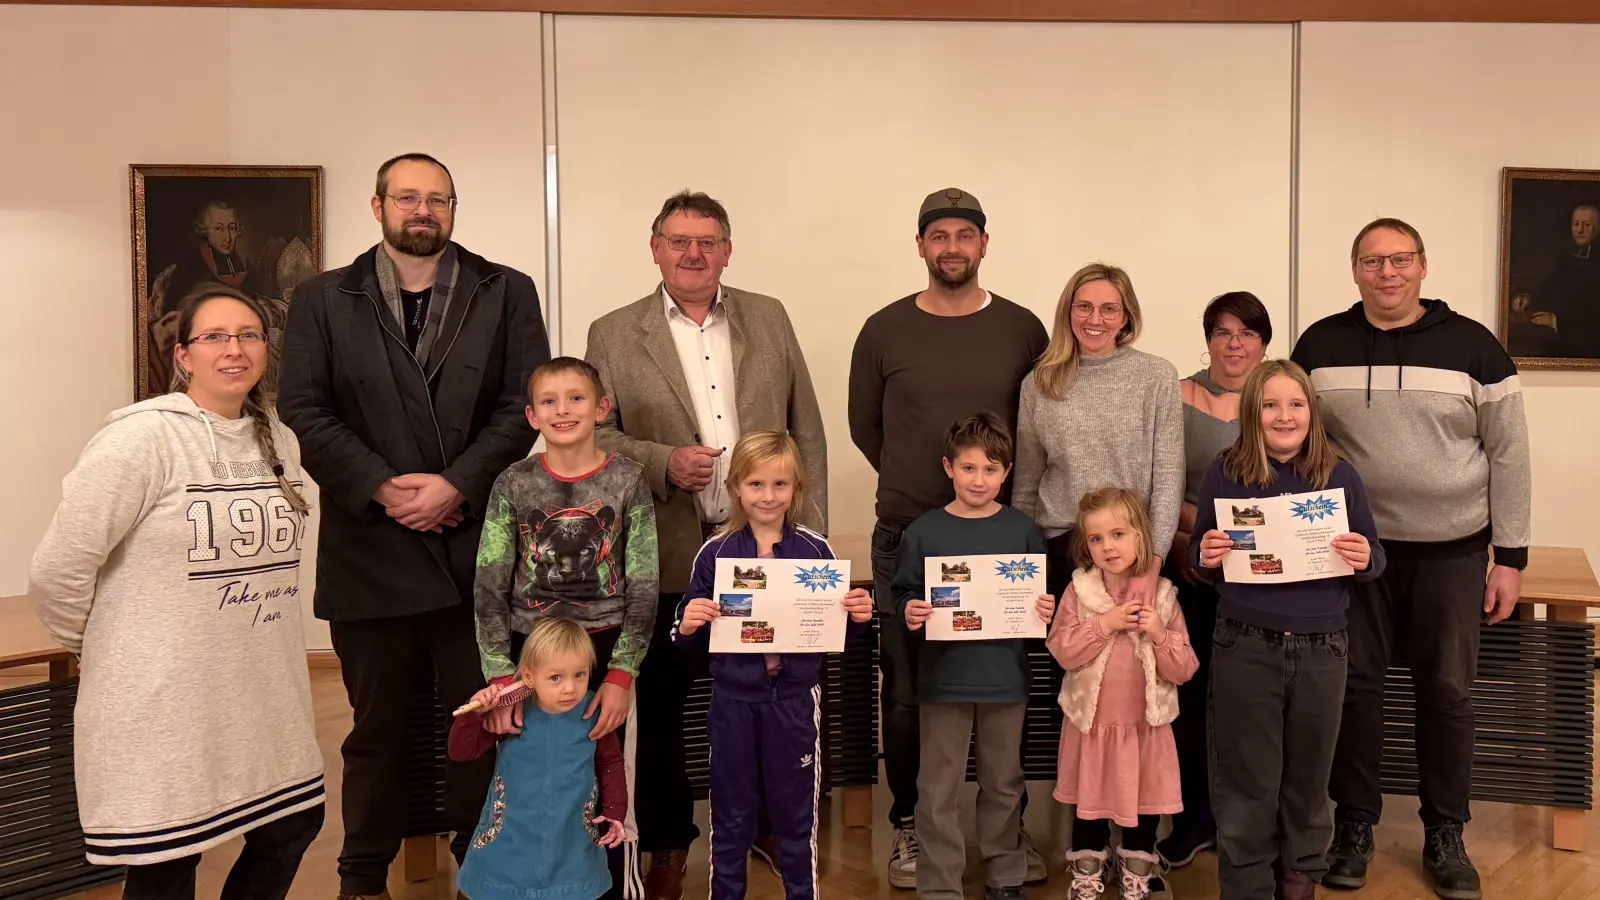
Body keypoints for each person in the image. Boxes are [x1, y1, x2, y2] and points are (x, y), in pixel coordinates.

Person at [278, 152, 550, 899]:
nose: (423, 210)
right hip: (370, 547)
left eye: (438, 198)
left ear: (455, 208)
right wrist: (382, 487)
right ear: (377, 207)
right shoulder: (324, 297)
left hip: (473, 552)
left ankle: (483, 867)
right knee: (375, 738)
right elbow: (303, 408)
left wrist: (456, 484)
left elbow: (519, 408)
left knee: (481, 727)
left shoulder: (506, 291)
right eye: (407, 197)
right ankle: (361, 876)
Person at [31, 284, 324, 899]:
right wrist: (102, 645)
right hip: (165, 698)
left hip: (260, 688)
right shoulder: (141, 440)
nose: (235, 349)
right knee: (167, 860)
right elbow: (59, 568)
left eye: (248, 335)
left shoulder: (281, 440)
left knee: (295, 821)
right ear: (183, 354)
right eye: (215, 336)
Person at [584, 190, 827, 900]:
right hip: (666, 553)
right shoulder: (613, 331)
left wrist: (807, 539)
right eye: (679, 240)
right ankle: (665, 845)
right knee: (662, 712)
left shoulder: (770, 316)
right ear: (655, 246)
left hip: (769, 552)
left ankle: (772, 830)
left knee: (777, 700)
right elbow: (595, 432)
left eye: (708, 241)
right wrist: (661, 461)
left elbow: (804, 426)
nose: (694, 253)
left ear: (727, 248)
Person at [1292, 218, 1531, 900]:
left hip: (1454, 551)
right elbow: (1291, 434)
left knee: (1448, 693)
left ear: (1423, 267)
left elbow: (1510, 455)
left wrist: (1509, 557)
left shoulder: (1475, 348)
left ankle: (1446, 832)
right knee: (1355, 690)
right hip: (1354, 551)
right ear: (1355, 270)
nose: (1387, 273)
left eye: (1400, 260)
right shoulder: (1321, 345)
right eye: (1373, 261)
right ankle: (1356, 825)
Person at [847, 187, 1049, 888]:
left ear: (984, 244)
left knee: (1002, 687)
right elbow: (863, 427)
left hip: (1000, 541)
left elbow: (1039, 423)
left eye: (967, 235)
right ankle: (909, 823)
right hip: (909, 530)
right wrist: (921, 490)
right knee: (907, 693)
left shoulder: (1023, 328)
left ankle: (1007, 833)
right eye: (940, 236)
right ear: (922, 246)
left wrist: (987, 504)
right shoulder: (883, 329)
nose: (953, 247)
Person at [1191, 360, 1386, 900]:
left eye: (1295, 404)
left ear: (1311, 411)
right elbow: (1199, 559)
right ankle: (1248, 884)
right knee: (1246, 781)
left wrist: (1365, 555)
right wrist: (1204, 554)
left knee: (1308, 777)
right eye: (1270, 405)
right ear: (1252, 412)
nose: (1284, 416)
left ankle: (1300, 875)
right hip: (1244, 643)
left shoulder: (1340, 475)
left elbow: (1375, 558)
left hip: (1323, 647)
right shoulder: (1223, 472)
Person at [471, 355, 659, 898]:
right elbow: (490, 583)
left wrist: (623, 672)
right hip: (531, 653)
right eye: (549, 401)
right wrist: (502, 676)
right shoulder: (514, 482)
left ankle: (606, 882)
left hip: (603, 651)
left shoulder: (627, 479)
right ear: (532, 415)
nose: (563, 410)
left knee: (605, 777)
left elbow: (644, 583)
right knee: (531, 778)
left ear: (601, 408)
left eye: (576, 398)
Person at [674, 430, 875, 900]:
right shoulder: (716, 554)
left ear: (796, 489)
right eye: (756, 484)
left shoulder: (816, 551)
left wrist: (860, 618)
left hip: (794, 701)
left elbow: (837, 631)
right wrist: (688, 625)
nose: (768, 495)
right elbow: (685, 641)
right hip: (732, 704)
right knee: (730, 816)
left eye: (780, 485)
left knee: (796, 815)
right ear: (736, 488)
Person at [896, 413, 1057, 900]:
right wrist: (910, 610)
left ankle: (1004, 873)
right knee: (937, 788)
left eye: (990, 470)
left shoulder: (1022, 531)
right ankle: (940, 884)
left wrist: (1043, 607)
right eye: (968, 469)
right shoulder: (923, 534)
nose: (979, 480)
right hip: (944, 680)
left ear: (1006, 473)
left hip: (1005, 679)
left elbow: (1038, 600)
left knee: (1004, 782)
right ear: (948, 468)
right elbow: (902, 593)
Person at [1158, 291, 1273, 870]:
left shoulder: (1283, 397)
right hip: (1197, 566)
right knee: (1192, 696)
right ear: (1207, 339)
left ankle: (1251, 822)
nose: (1234, 344)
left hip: (1269, 580)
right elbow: (1161, 482)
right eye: (1222, 332)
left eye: (1247, 333)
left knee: (1252, 702)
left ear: (1264, 342)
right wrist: (1195, 539)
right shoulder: (1176, 396)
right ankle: (1192, 818)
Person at [1051, 486, 1198, 900]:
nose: (1107, 546)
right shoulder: (1080, 593)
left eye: (1117, 534)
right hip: (1092, 727)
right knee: (1091, 803)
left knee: (1143, 803)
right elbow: (1062, 650)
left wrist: (1157, 632)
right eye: (1096, 538)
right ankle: (1088, 863)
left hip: (1146, 728)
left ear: (1140, 536)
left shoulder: (1165, 596)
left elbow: (1184, 669)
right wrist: (1106, 622)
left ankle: (1137, 863)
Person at [1014, 262, 1184, 609]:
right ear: (1069, 311)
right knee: (1068, 660)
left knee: (1132, 662)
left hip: (1132, 553)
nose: (1095, 320)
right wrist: (1024, 563)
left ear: (1126, 318)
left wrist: (1152, 561)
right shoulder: (1038, 384)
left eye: (1109, 309)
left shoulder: (1156, 377)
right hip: (1062, 549)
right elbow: (1027, 483)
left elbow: (1168, 477)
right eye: (1084, 307)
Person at [449, 617, 630, 900]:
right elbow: (461, 751)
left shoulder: (593, 711)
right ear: (530, 676)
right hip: (511, 838)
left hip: (571, 841)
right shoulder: (513, 710)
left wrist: (616, 810)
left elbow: (610, 762)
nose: (570, 688)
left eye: (580, 674)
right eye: (556, 677)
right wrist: (476, 713)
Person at [1523, 202, 1600, 358]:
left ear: (1597, 228)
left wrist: (1556, 321)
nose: (1580, 230)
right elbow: (1551, 287)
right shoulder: (1568, 256)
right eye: (1576, 224)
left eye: (1586, 225)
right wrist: (1529, 299)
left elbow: (1592, 312)